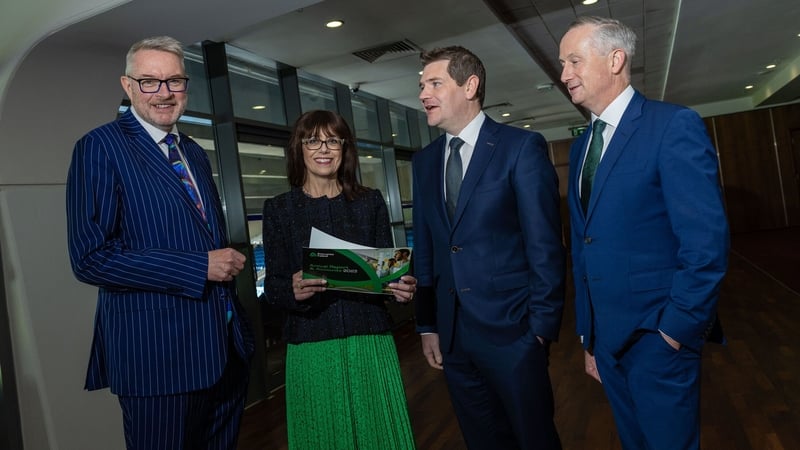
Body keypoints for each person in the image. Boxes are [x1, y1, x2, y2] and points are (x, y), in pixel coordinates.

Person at [66, 36, 254, 450]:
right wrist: (198, 266)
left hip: (224, 351)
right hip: (157, 359)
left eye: (174, 81)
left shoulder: (193, 152)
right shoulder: (100, 147)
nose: (164, 92)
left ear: (186, 86)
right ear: (128, 86)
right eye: (149, 81)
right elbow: (90, 258)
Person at [558, 16, 730, 450]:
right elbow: (583, 243)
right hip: (606, 342)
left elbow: (706, 243)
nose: (564, 75)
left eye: (574, 61)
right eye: (562, 64)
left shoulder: (672, 126)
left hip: (659, 338)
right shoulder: (581, 147)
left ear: (615, 60)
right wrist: (589, 337)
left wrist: (675, 331)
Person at [413, 46, 566, 450]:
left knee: (534, 439)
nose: (423, 94)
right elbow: (426, 249)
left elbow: (545, 246)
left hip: (514, 333)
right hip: (452, 336)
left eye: (434, 83)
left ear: (470, 86)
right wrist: (428, 325)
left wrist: (539, 331)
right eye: (422, 86)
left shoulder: (520, 147)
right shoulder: (424, 162)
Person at [261, 110, 417, 450]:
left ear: (345, 148)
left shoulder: (370, 202)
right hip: (312, 344)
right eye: (313, 140)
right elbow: (272, 287)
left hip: (369, 339)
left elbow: (386, 274)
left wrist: (400, 287)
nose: (324, 149)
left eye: (333, 140)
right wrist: (291, 289)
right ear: (298, 148)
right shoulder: (279, 210)